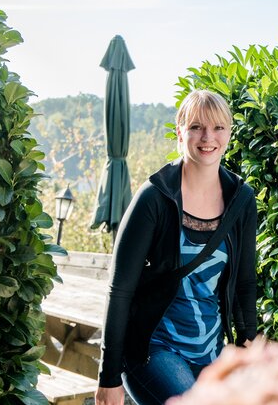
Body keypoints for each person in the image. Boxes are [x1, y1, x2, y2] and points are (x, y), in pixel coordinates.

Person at [94, 90, 258, 405]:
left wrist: (248, 342)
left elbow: (245, 282)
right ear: (180, 130)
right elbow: (120, 289)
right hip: (154, 348)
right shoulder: (155, 197)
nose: (208, 137)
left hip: (211, 349)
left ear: (229, 133)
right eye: (196, 126)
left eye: (218, 128)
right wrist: (108, 377)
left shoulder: (241, 200)